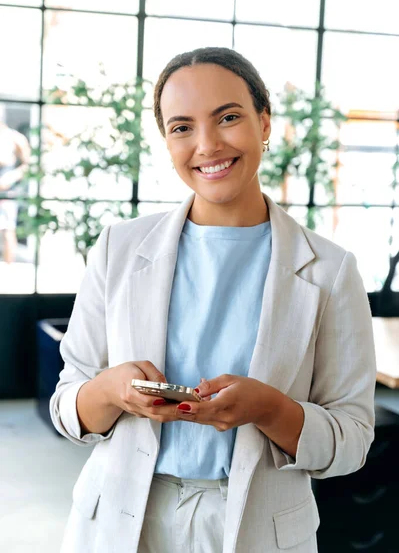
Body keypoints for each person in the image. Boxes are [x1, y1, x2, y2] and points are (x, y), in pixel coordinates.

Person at [50, 47, 376, 553]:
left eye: (228, 118)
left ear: (264, 123)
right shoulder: (118, 248)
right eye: (182, 127)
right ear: (166, 140)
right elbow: (68, 408)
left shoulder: (331, 270)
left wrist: (269, 408)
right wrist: (112, 391)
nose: (207, 144)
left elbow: (352, 440)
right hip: (120, 519)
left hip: (256, 527)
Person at [0, 116, 31, 263]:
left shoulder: (14, 138)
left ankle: (7, 268)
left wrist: (12, 176)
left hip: (6, 191)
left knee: (7, 229)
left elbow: (28, 164)